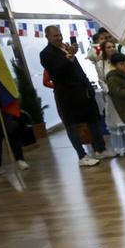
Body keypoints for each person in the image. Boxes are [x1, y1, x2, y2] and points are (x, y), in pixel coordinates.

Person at [40, 25, 112, 166]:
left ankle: (100, 150)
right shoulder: (46, 53)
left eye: (60, 34)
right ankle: (82, 156)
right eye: (55, 36)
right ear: (47, 37)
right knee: (72, 125)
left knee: (93, 120)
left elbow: (77, 69)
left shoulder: (65, 47)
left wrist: (87, 85)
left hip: (83, 91)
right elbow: (57, 72)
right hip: (67, 95)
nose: (59, 38)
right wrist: (69, 56)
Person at [95, 40, 125, 156]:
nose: (111, 49)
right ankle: (122, 148)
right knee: (117, 121)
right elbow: (101, 80)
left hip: (124, 94)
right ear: (104, 50)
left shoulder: (120, 61)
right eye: (108, 47)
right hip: (111, 97)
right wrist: (109, 90)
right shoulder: (100, 64)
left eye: (113, 46)